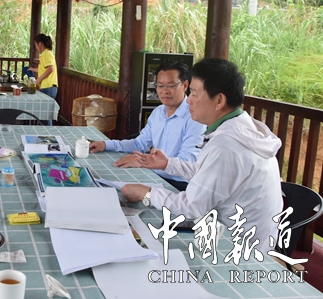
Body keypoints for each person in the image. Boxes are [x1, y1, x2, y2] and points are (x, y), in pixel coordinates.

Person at [121, 58, 283, 252]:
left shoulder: (228, 146)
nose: (189, 100)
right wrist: (167, 164)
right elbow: (207, 172)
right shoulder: (241, 126)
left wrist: (147, 193)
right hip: (250, 236)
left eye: (194, 94)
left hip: (239, 247)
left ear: (219, 101)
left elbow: (192, 206)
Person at [89, 62, 206, 191]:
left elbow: (187, 162)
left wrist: (145, 162)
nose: (165, 91)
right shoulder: (158, 113)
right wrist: (105, 145)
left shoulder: (194, 117)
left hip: (178, 184)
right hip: (154, 175)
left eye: (171, 86)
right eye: (160, 86)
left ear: (185, 85)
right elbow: (139, 144)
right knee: (106, 182)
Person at [29, 34, 58, 125]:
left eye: (36, 45)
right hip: (46, 87)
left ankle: (47, 131)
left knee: (45, 114)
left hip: (49, 87)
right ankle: (45, 130)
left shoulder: (47, 53)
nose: (36, 47)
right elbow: (43, 69)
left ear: (40, 44)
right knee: (44, 113)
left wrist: (38, 79)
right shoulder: (45, 54)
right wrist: (32, 69)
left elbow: (50, 69)